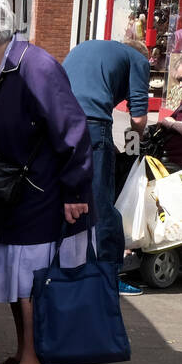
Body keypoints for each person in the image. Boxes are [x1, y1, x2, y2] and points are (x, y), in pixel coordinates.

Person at [0, 0, 93, 364]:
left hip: (46, 196)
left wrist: (75, 192)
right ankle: (25, 353)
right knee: (19, 280)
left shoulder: (36, 66)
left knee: (31, 284)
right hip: (19, 195)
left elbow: (73, 130)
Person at [63, 38, 151, 295]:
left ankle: (66, 269)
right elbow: (138, 117)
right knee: (100, 205)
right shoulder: (139, 60)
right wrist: (134, 143)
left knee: (67, 196)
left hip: (57, 123)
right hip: (92, 124)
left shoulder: (89, 48)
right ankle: (108, 277)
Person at [152, 58, 182, 171]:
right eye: (178, 81)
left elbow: (174, 123)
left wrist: (172, 124)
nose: (180, 85)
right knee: (132, 134)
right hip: (167, 159)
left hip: (176, 165)